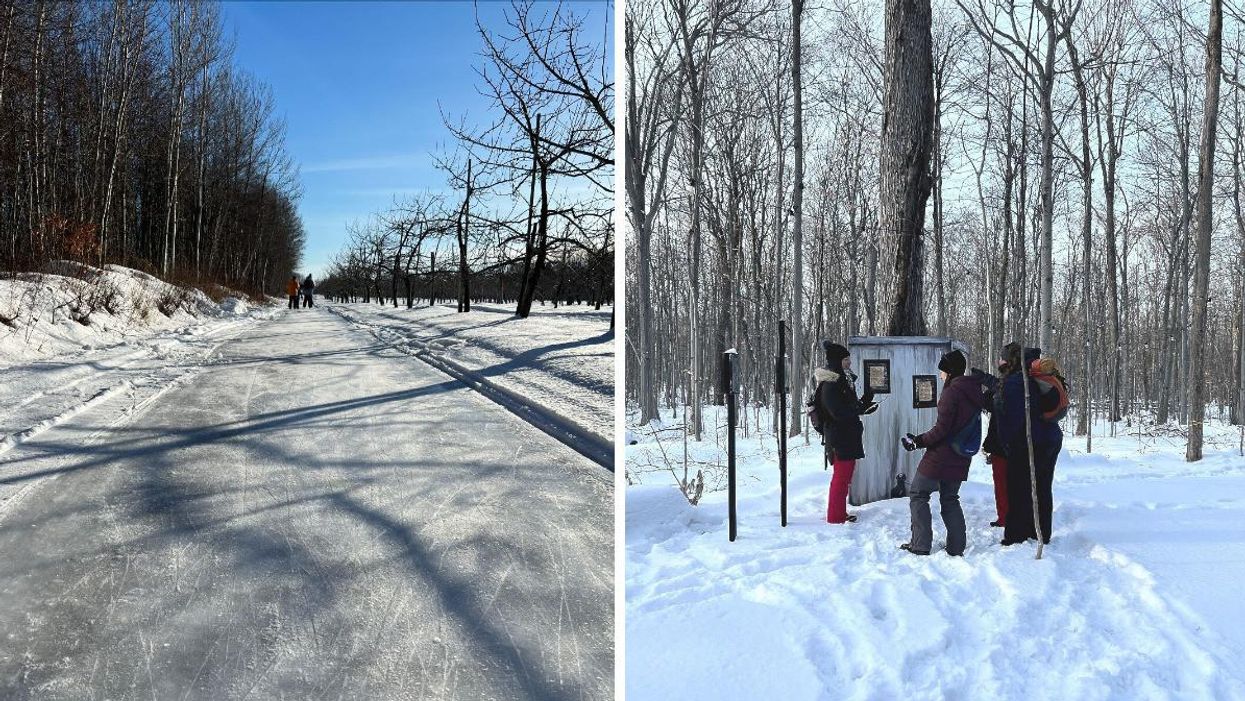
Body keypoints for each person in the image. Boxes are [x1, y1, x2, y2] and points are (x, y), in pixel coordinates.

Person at [898, 350, 993, 556]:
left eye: (942, 371)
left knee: (918, 494)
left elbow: (941, 430)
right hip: (961, 455)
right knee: (950, 498)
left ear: (949, 372)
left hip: (941, 457)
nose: (940, 375)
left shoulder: (952, 392)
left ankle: (920, 545)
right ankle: (956, 547)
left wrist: (917, 441)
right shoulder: (973, 390)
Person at [998, 345, 1063, 546]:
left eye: (1001, 359)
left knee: (1018, 488)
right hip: (1049, 438)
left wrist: (1009, 445)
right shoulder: (1031, 378)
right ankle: (1041, 532)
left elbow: (1017, 419)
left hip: (1031, 442)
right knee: (1042, 487)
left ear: (1008, 361)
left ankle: (1017, 535)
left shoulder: (1018, 382)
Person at [812, 341, 877, 524]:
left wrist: (864, 402)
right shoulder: (831, 385)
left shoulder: (842, 381)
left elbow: (849, 407)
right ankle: (835, 517)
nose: (849, 362)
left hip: (846, 436)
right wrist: (861, 409)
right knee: (841, 478)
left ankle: (839, 512)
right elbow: (838, 412)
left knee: (845, 477)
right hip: (839, 438)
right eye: (846, 359)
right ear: (836, 362)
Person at [982, 345, 1016, 528]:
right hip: (1013, 442)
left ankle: (1005, 517)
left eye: (1001, 359)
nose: (999, 362)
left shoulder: (1010, 382)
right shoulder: (1016, 380)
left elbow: (995, 403)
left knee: (1002, 483)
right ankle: (1008, 515)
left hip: (1003, 442)